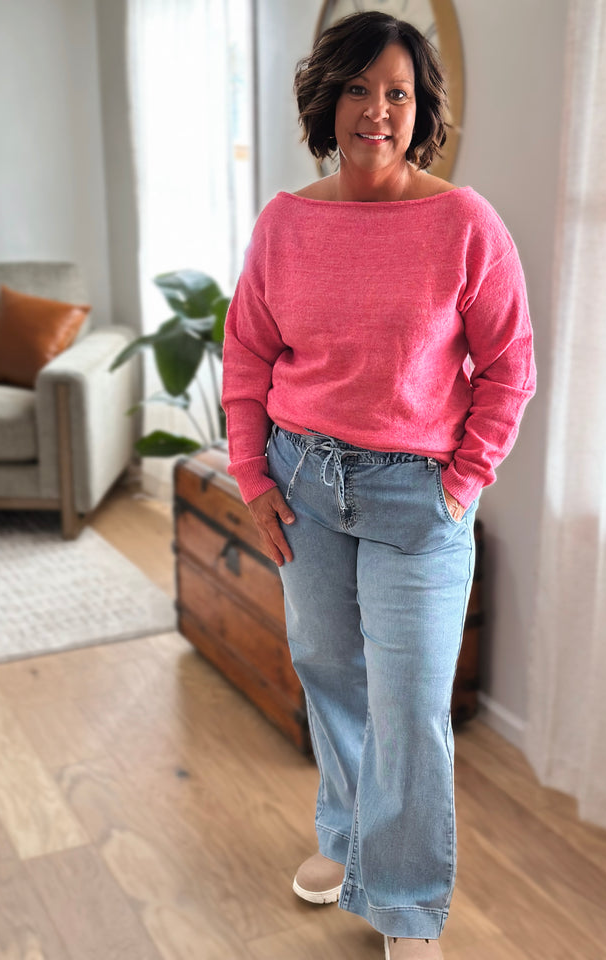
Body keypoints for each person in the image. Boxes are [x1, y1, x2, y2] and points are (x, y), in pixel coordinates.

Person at [221, 11, 536, 959]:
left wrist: (463, 482)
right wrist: (251, 473)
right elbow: (247, 356)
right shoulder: (286, 224)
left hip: (417, 497)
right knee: (327, 667)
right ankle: (354, 842)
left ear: (421, 108)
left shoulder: (464, 223)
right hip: (303, 481)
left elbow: (509, 366)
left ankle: (402, 907)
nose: (377, 111)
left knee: (408, 705)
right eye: (359, 89)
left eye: (397, 92)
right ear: (330, 99)